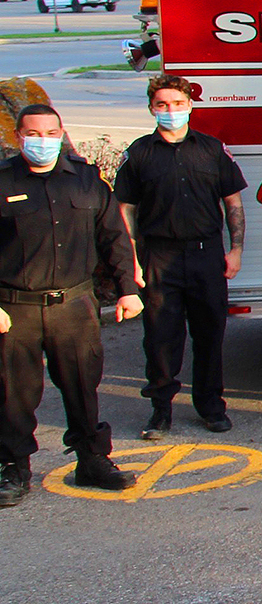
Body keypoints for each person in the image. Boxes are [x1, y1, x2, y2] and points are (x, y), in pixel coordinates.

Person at [1, 104, 143, 507]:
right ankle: (13, 468)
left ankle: (92, 460)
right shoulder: (1, 181)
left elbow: (114, 237)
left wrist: (128, 289)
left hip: (74, 305)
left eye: (50, 133)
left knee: (83, 386)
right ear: (18, 136)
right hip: (16, 308)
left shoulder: (85, 182)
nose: (41, 141)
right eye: (33, 133)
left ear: (60, 134)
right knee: (15, 393)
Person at [115, 75, 248, 439]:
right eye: (162, 105)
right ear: (152, 109)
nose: (170, 111)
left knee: (210, 335)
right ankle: (160, 411)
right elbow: (124, 209)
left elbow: (233, 203)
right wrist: (133, 260)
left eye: (177, 104)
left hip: (207, 256)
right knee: (161, 338)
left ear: (190, 105)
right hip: (160, 257)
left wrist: (235, 250)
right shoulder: (139, 153)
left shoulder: (212, 150)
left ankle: (211, 407)